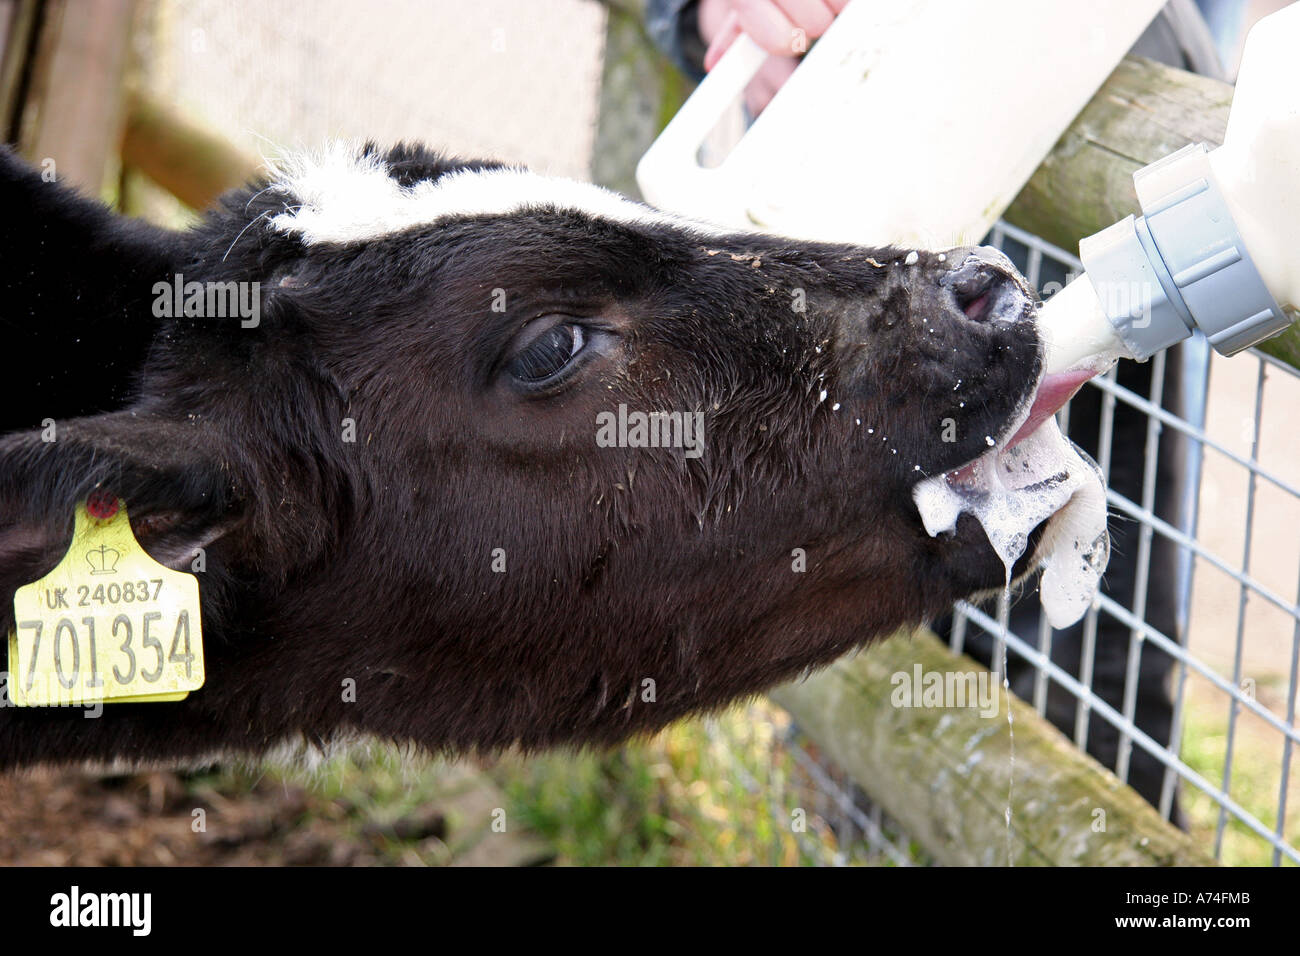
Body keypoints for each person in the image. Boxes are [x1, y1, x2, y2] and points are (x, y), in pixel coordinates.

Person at [645, 0, 1240, 824]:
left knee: (1094, 541)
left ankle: (1113, 834)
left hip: (1077, 58)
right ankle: (884, 810)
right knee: (889, 522)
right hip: (862, 129)